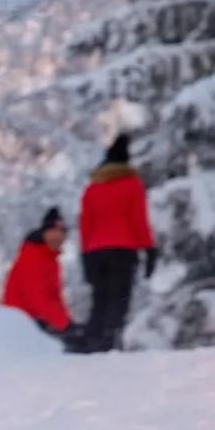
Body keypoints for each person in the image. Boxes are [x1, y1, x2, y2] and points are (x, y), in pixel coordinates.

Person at [78, 134, 156, 352]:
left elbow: (85, 226)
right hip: (123, 250)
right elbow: (138, 221)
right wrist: (149, 249)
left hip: (95, 252)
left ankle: (93, 341)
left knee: (100, 298)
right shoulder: (132, 185)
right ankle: (111, 341)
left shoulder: (92, 189)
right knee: (119, 298)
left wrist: (85, 257)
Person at [0, 206, 76, 341]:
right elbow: (36, 296)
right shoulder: (32, 256)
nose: (57, 237)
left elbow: (55, 297)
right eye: (53, 232)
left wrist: (68, 322)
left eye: (61, 233)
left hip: (39, 319)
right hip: (21, 321)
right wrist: (63, 325)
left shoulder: (51, 259)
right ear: (44, 232)